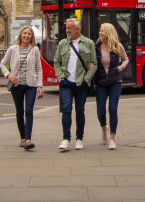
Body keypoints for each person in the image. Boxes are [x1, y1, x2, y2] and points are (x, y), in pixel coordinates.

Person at [54, 19, 97, 151]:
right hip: (66, 82)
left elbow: (94, 63)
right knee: (66, 109)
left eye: (70, 28)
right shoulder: (62, 44)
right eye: (67, 28)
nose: (67, 30)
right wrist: (61, 77)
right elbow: (57, 62)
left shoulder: (88, 43)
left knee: (80, 111)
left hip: (81, 82)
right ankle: (66, 139)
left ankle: (79, 138)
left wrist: (87, 78)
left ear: (77, 30)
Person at [0, 26, 43, 149]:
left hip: (31, 85)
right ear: (20, 35)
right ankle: (22, 138)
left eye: (29, 34)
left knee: (29, 111)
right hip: (16, 85)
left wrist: (39, 85)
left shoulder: (34, 50)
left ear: (32, 37)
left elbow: (38, 68)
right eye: (25, 33)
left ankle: (28, 139)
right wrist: (8, 75)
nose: (26, 36)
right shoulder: (13, 49)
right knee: (20, 112)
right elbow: (2, 64)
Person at [94, 23, 129, 150]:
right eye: (100, 30)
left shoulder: (117, 46)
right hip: (100, 82)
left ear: (108, 32)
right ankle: (104, 129)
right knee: (100, 112)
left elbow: (126, 59)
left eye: (102, 31)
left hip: (115, 81)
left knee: (113, 109)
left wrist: (121, 67)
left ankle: (112, 138)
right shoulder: (96, 46)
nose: (100, 33)